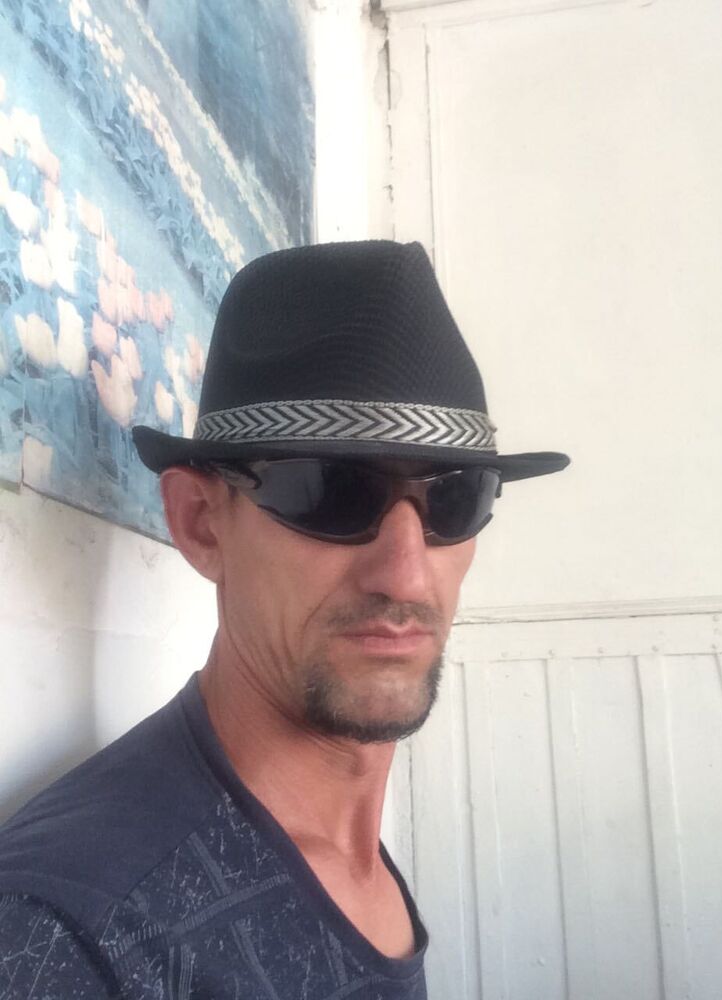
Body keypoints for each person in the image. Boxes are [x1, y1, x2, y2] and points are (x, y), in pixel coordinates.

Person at [0, 240, 568, 998]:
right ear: (202, 523)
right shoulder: (68, 937)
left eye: (457, 497)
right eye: (332, 491)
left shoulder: (349, 847)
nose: (405, 574)